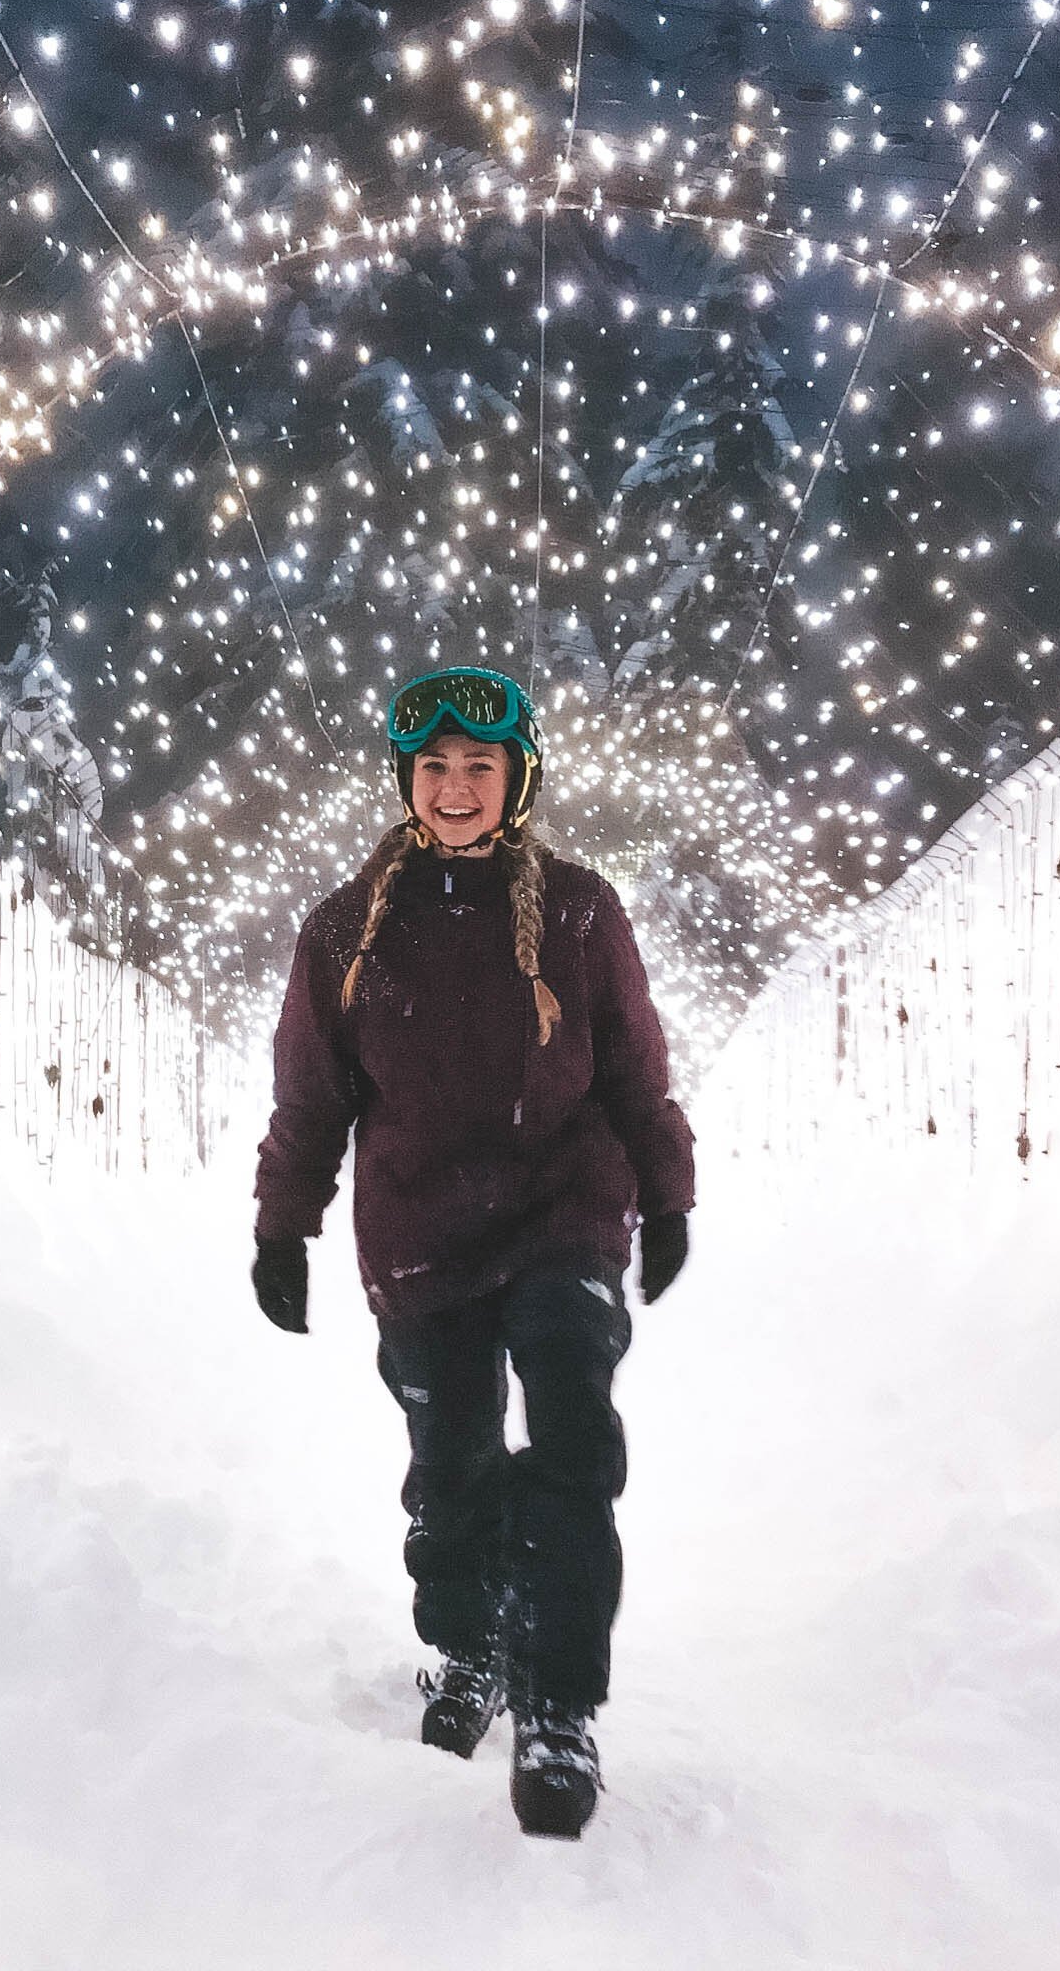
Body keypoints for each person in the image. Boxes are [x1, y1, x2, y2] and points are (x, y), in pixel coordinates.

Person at [251, 665, 695, 1839]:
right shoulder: (347, 928)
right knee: (448, 1462)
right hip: (419, 1224)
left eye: (478, 765)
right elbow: (310, 1096)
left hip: (562, 1205)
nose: (455, 787)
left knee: (568, 1433)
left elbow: (633, 1069)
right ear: (406, 780)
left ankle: (557, 1703)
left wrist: (667, 1192)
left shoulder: (582, 910)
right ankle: (471, 1644)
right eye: (435, 766)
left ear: (517, 778)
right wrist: (281, 1225)